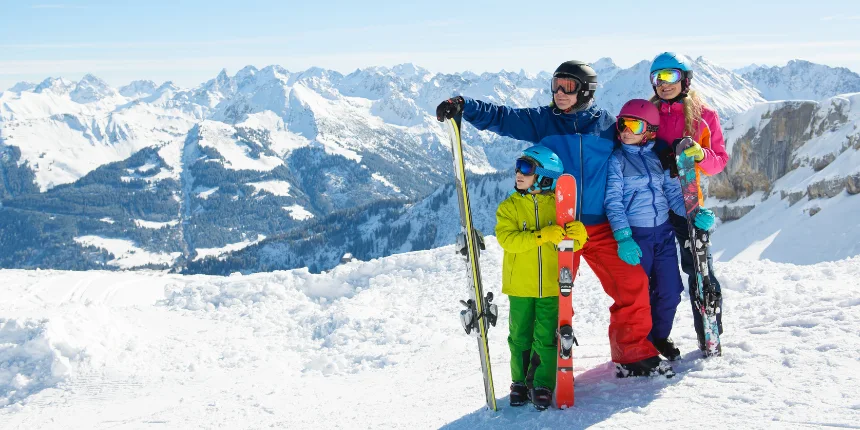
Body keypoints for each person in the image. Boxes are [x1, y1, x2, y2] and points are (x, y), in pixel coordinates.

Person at [437, 60, 673, 378]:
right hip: (559, 225)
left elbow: (638, 145)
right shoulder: (543, 121)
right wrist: (465, 106)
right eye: (556, 85)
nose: (559, 93)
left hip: (602, 225)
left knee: (632, 283)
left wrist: (669, 154)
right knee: (554, 294)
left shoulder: (607, 126)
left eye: (569, 86)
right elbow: (503, 118)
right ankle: (546, 359)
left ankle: (632, 352)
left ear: (586, 91)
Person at [605, 100, 716, 364]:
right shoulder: (617, 161)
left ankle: (658, 337)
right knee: (637, 294)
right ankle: (635, 347)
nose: (626, 131)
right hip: (637, 236)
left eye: (634, 125)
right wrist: (623, 237)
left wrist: (694, 213)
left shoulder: (658, 159)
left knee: (670, 290)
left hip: (664, 234)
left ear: (650, 131)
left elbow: (673, 194)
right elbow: (613, 202)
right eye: (622, 124)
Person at [495, 145, 587, 410]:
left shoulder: (559, 206)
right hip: (520, 285)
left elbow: (577, 240)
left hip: (551, 284)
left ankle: (542, 383)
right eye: (517, 167)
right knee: (519, 336)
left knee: (546, 335)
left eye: (526, 168)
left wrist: (577, 233)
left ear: (545, 176)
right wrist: (542, 236)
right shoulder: (509, 206)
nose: (518, 174)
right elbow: (507, 240)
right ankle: (519, 382)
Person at [648, 52, 728, 353]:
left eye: (669, 76)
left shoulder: (704, 116)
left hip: (687, 204)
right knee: (657, 275)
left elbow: (718, 162)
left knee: (699, 267)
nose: (663, 84)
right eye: (657, 78)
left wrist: (700, 155)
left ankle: (709, 331)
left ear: (685, 79)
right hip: (651, 205)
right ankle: (655, 337)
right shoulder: (650, 115)